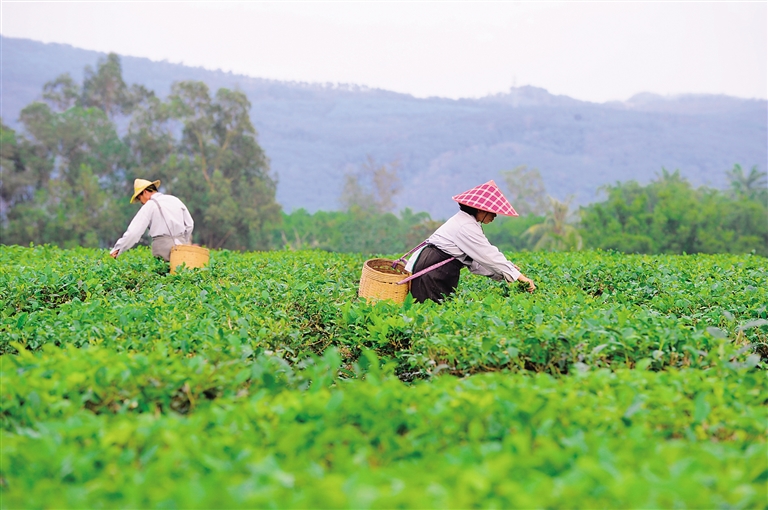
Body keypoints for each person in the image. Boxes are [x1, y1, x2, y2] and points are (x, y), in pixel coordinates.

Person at [405, 180, 536, 303]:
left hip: (436, 268)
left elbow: (475, 262)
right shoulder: (466, 226)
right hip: (433, 271)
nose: (494, 216)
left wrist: (506, 273)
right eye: (492, 212)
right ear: (480, 209)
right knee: (431, 313)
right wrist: (520, 278)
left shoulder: (467, 222)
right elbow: (489, 255)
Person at [110, 178, 194, 262]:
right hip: (181, 247)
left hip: (162, 248)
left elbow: (134, 232)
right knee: (180, 272)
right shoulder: (175, 200)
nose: (141, 202)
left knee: (163, 273)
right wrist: (183, 242)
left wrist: (118, 249)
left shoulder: (150, 205)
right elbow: (190, 225)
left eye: (139, 198)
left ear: (145, 192)